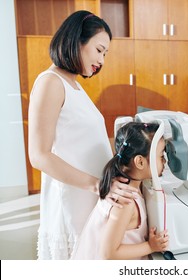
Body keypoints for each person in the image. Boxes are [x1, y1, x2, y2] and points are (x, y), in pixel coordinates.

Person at [28, 10, 135, 260]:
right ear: (77, 41)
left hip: (90, 195)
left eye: (105, 54)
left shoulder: (74, 85)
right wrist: (97, 184)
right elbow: (39, 155)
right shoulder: (50, 82)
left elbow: (86, 141)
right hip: (74, 197)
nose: (102, 61)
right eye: (99, 50)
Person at [71, 122, 169, 260]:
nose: (165, 160)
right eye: (161, 156)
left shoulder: (123, 183)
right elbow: (108, 254)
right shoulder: (125, 201)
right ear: (140, 162)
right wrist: (151, 246)